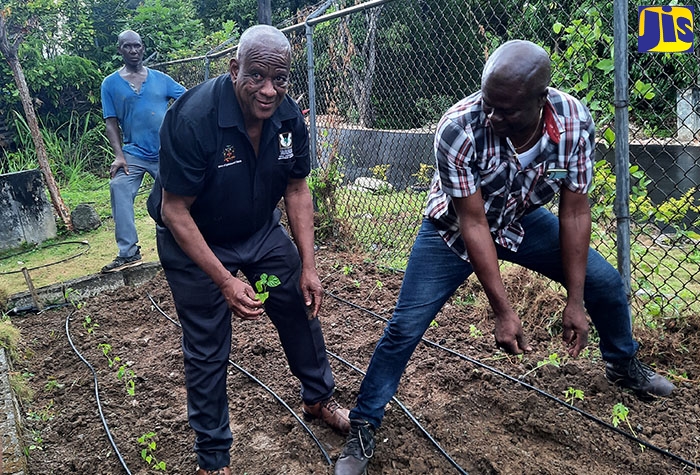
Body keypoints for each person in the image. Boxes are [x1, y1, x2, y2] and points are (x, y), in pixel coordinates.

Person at [334, 39, 675, 475]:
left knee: (605, 284)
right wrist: (503, 310)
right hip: (454, 231)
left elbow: (575, 209)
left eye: (507, 110)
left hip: (522, 220)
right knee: (405, 326)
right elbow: (473, 223)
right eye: (488, 103)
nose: (493, 116)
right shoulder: (458, 127)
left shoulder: (573, 122)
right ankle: (363, 425)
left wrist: (575, 299)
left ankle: (622, 364)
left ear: (541, 99)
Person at [146, 25, 350, 475]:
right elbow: (174, 209)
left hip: (258, 231)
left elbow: (297, 188)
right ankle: (213, 459)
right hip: (195, 236)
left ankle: (317, 398)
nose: (269, 90)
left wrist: (309, 266)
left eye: (280, 79)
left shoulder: (289, 117)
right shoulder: (193, 118)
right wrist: (224, 280)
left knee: (299, 303)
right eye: (257, 76)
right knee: (207, 344)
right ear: (235, 68)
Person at [100, 30, 186, 273]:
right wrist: (119, 155)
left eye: (137, 46)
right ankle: (128, 252)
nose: (133, 51)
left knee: (181, 193)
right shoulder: (110, 84)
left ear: (143, 48)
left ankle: (190, 240)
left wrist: (180, 135)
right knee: (118, 187)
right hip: (133, 153)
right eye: (127, 47)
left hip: (166, 153)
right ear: (120, 50)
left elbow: (188, 101)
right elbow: (111, 121)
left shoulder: (161, 79)